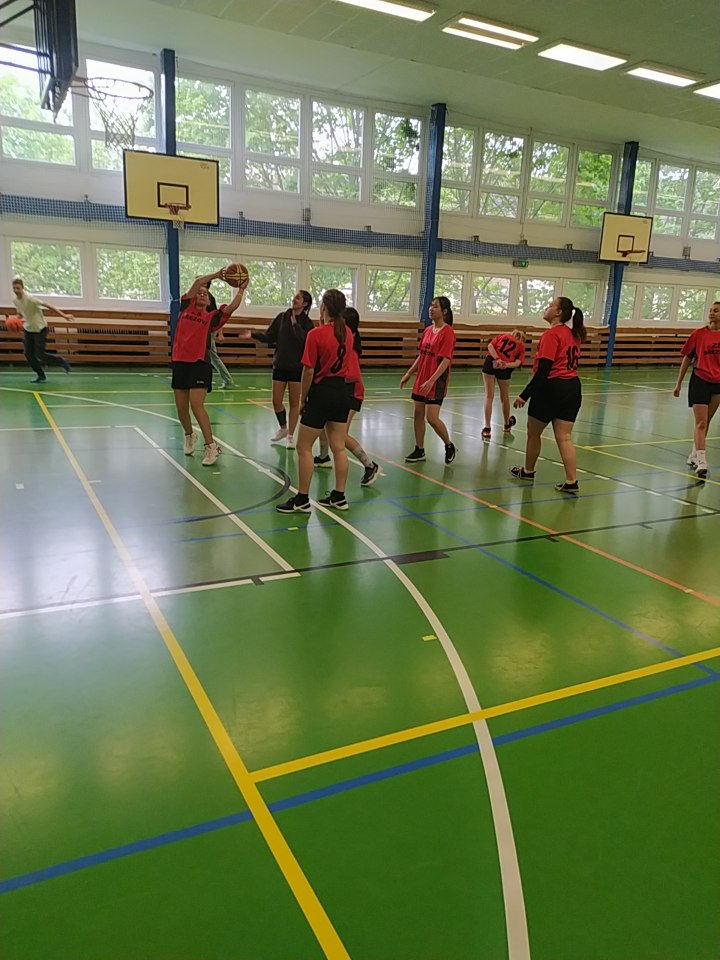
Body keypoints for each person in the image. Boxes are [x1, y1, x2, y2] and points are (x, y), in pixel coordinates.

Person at [277, 289, 358, 513]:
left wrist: (303, 398)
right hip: (342, 392)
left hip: (322, 392)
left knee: (303, 447)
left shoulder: (316, 334)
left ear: (324, 307)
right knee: (338, 447)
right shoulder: (348, 333)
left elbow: (309, 370)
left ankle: (302, 499)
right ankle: (339, 496)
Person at [510, 296, 586, 493]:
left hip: (552, 388)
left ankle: (528, 471)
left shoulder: (551, 335)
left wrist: (525, 395)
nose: (546, 307)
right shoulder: (574, 334)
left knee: (533, 433)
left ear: (559, 313)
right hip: (572, 388)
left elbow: (544, 369)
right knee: (565, 437)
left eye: (551, 305)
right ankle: (571, 481)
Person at [173, 268, 248, 466]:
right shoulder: (186, 306)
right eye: (199, 293)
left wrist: (241, 289)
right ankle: (189, 435)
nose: (201, 294)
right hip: (180, 361)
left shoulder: (212, 317)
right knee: (181, 408)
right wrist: (216, 275)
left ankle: (211, 446)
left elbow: (231, 307)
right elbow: (198, 282)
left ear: (209, 301)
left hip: (200, 363)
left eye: (205, 294)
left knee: (196, 405)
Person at [314, 306, 379, 487]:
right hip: (339, 393)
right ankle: (323, 457)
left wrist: (330, 378)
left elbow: (353, 375)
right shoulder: (339, 339)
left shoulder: (349, 348)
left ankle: (370, 465)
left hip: (351, 394)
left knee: (340, 436)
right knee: (324, 426)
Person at [242, 290, 314, 448]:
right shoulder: (282, 317)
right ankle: (283, 428)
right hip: (280, 365)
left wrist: (296, 326)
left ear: (305, 304)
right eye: (294, 297)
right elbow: (269, 336)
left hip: (296, 367)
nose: (294, 299)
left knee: (294, 403)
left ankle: (290, 436)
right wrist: (254, 334)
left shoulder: (307, 323)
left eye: (298, 298)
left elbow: (305, 341)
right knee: (276, 401)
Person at [400, 296, 456, 464]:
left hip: (436, 381)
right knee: (418, 414)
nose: (431, 309)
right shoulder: (427, 330)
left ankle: (449, 445)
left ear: (444, 311)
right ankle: (419, 449)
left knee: (431, 418)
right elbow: (422, 356)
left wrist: (432, 380)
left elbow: (446, 360)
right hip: (422, 378)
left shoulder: (448, 332)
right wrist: (409, 373)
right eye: (431, 306)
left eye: (435, 306)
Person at [673, 300, 720, 479]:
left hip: (718, 382)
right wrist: (678, 383)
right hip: (700, 380)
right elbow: (687, 358)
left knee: (706, 422)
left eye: (716, 311)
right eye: (711, 310)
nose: (712, 313)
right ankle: (702, 461)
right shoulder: (699, 334)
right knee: (701, 423)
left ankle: (694, 453)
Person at [11, 277, 72, 383]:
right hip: (28, 329)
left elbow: (48, 305)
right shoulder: (15, 300)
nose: (16, 290)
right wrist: (14, 319)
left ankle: (61, 361)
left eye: (18, 288)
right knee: (28, 354)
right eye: (14, 288)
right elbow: (20, 314)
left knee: (40, 354)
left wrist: (64, 315)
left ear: (22, 288)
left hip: (40, 328)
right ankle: (40, 375)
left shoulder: (30, 299)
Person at [481, 328, 525, 439]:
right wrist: (505, 364)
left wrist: (497, 358)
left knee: (489, 396)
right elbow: (518, 362)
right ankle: (506, 424)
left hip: (491, 362)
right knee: (504, 397)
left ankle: (487, 428)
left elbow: (490, 346)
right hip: (505, 368)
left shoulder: (503, 336)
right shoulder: (520, 345)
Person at [206, 283, 234, 390]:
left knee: (213, 356)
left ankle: (227, 380)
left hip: (210, 331)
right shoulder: (196, 297)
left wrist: (220, 333)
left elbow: (216, 317)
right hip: (202, 330)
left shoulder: (209, 298)